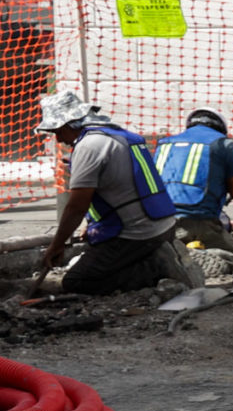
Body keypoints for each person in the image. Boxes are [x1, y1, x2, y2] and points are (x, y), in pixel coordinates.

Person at [34, 92, 192, 296]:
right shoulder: (119, 135)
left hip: (135, 234)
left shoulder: (89, 146)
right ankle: (156, 255)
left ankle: (155, 268)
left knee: (76, 281)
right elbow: (119, 189)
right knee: (108, 263)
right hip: (164, 225)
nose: (59, 139)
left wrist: (56, 246)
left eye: (57, 132)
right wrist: (93, 224)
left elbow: (77, 206)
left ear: (68, 124)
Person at [155, 110, 233, 281]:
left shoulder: (164, 144)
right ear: (220, 128)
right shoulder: (224, 144)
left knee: (165, 251)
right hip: (198, 221)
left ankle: (173, 257)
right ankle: (201, 257)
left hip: (161, 222)